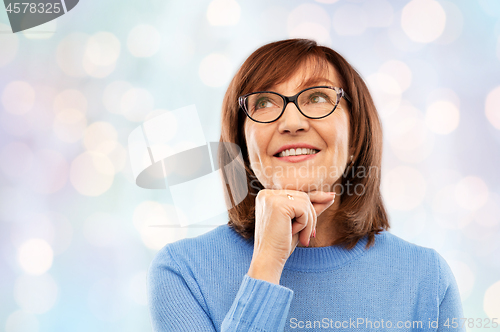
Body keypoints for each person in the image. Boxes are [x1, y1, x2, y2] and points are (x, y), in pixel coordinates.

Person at [147, 39, 464, 332]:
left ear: (356, 137)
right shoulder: (183, 271)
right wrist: (267, 264)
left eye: (317, 97)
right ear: (242, 147)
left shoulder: (426, 278)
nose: (292, 122)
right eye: (265, 103)